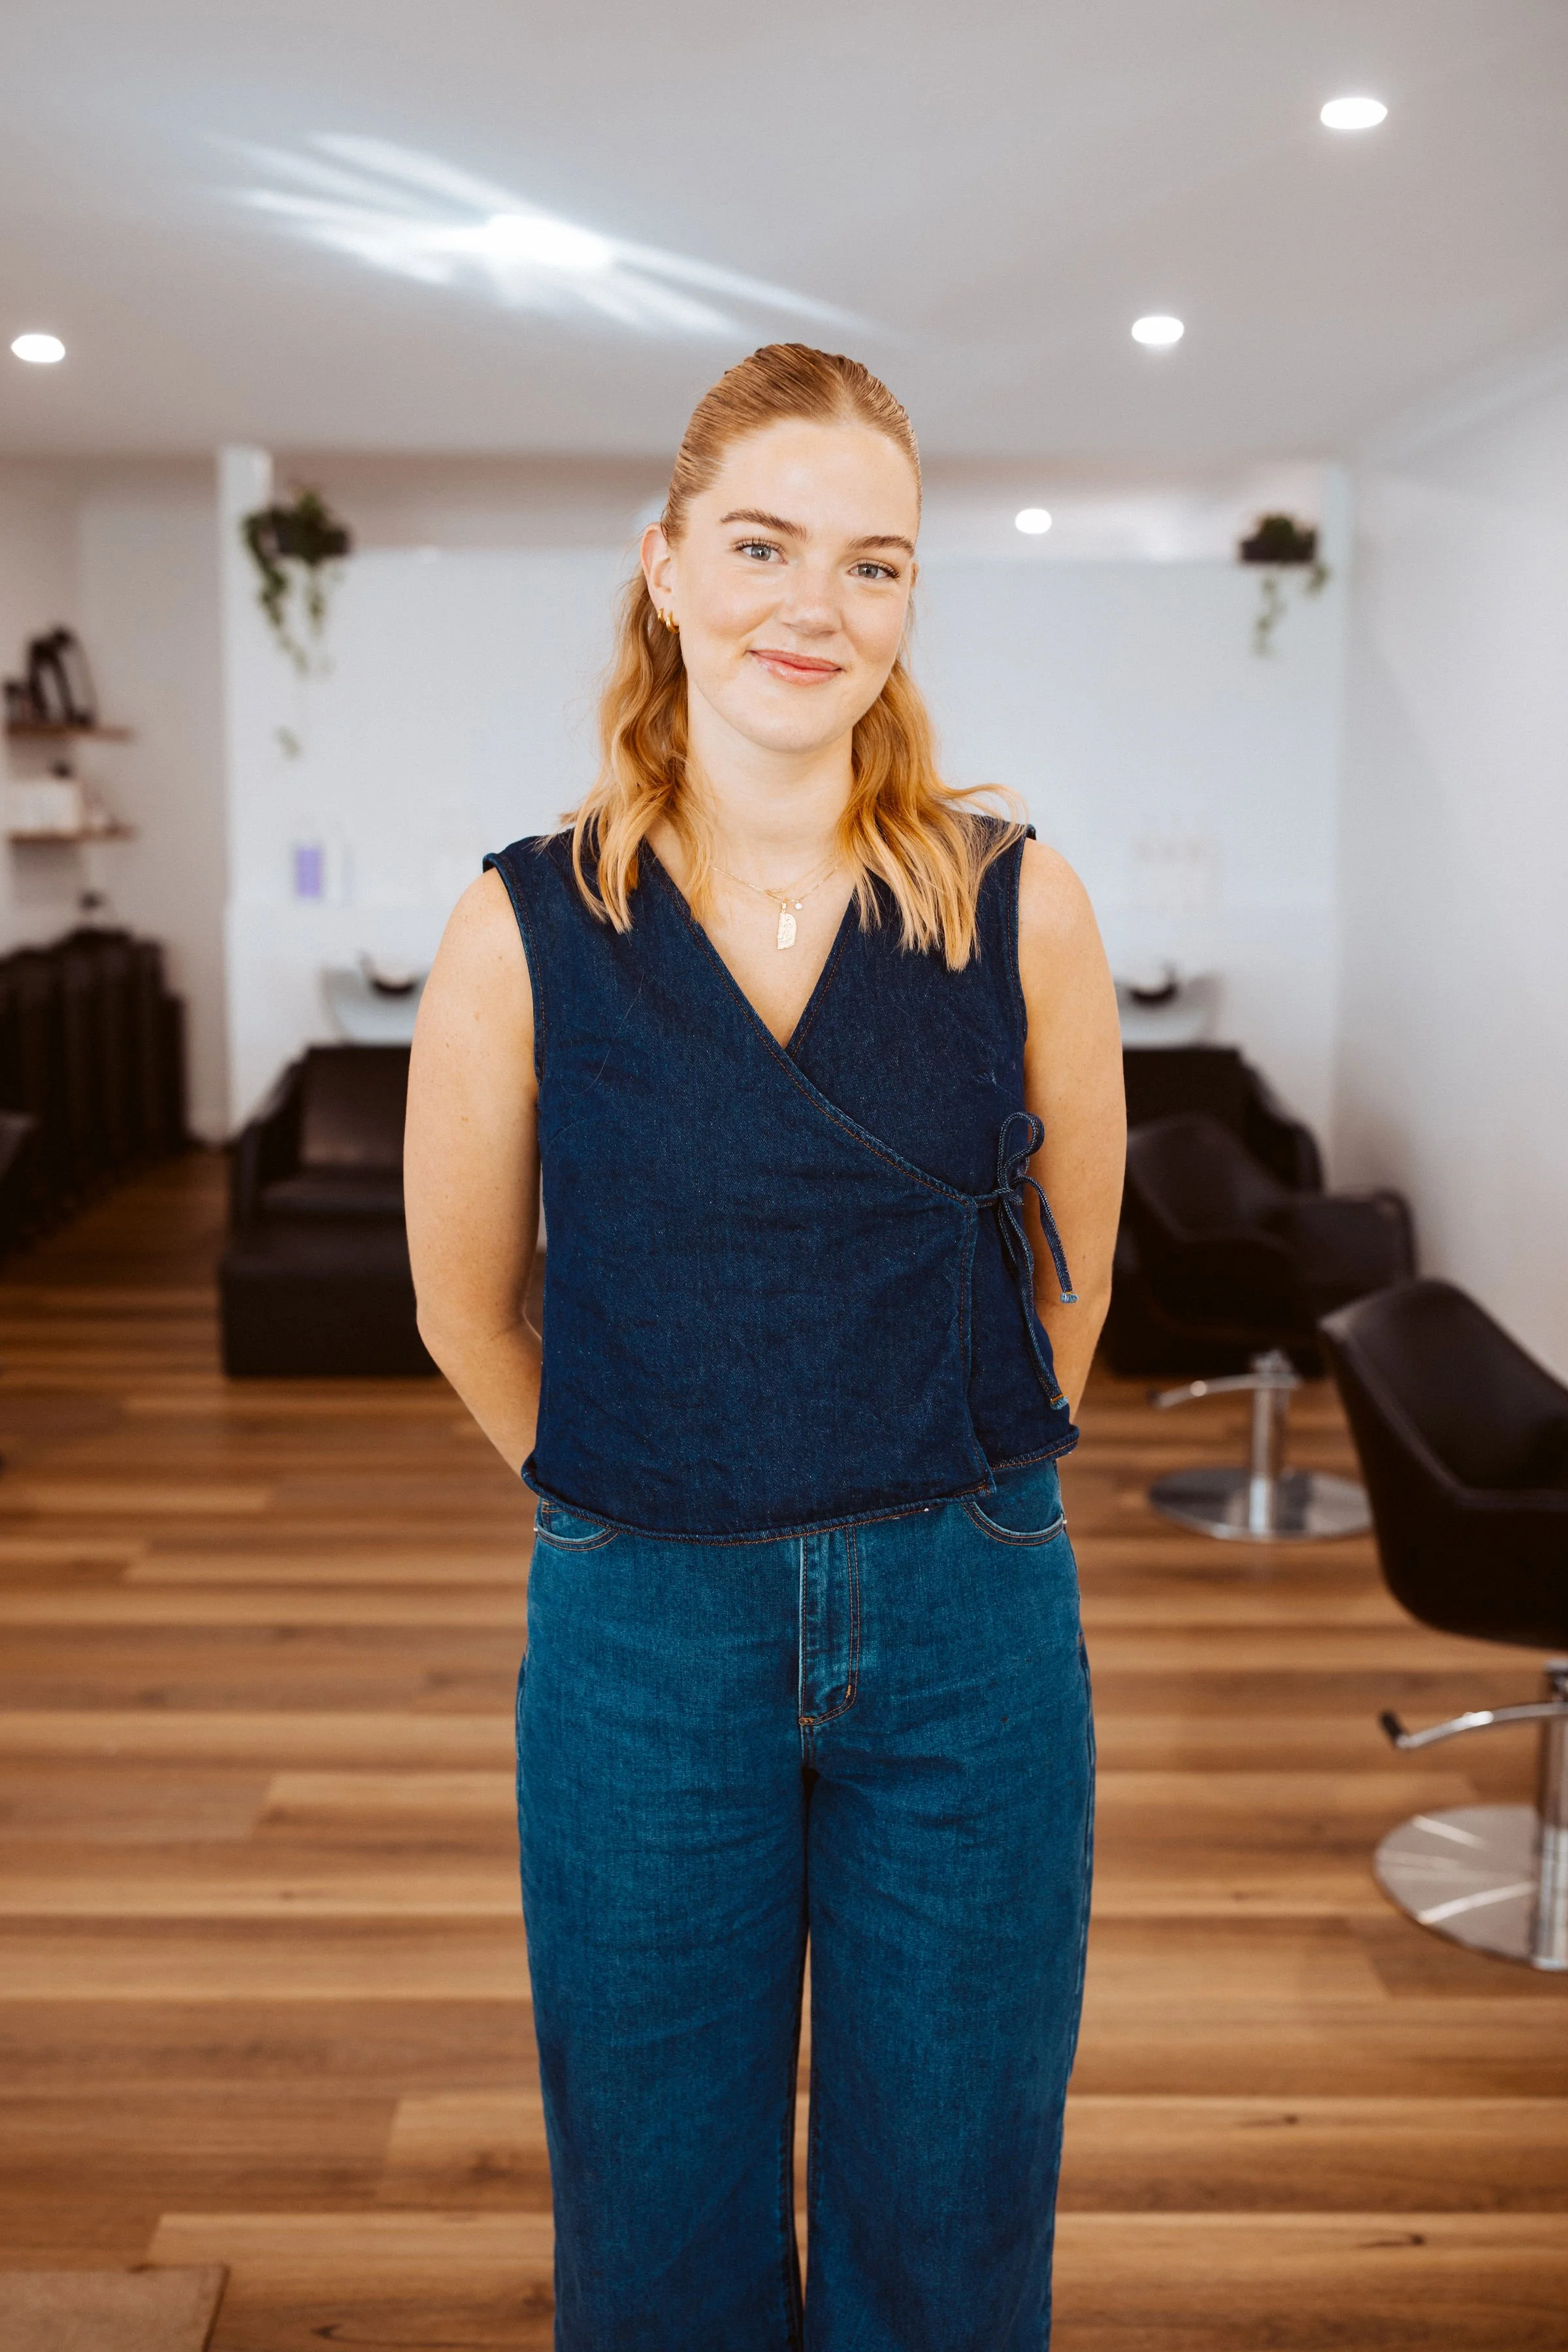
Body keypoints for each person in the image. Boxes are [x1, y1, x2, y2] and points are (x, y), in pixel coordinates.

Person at [404, 342, 1125, 2352]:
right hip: (645, 1638)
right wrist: (651, 1481)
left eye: (875, 564)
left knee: (958, 2204)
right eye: (763, 544)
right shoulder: (525, 924)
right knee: (655, 2218)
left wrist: (966, 1461)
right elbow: (463, 1304)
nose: (817, 606)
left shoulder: (1021, 903)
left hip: (973, 1630)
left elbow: (1077, 1265)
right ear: (664, 565)